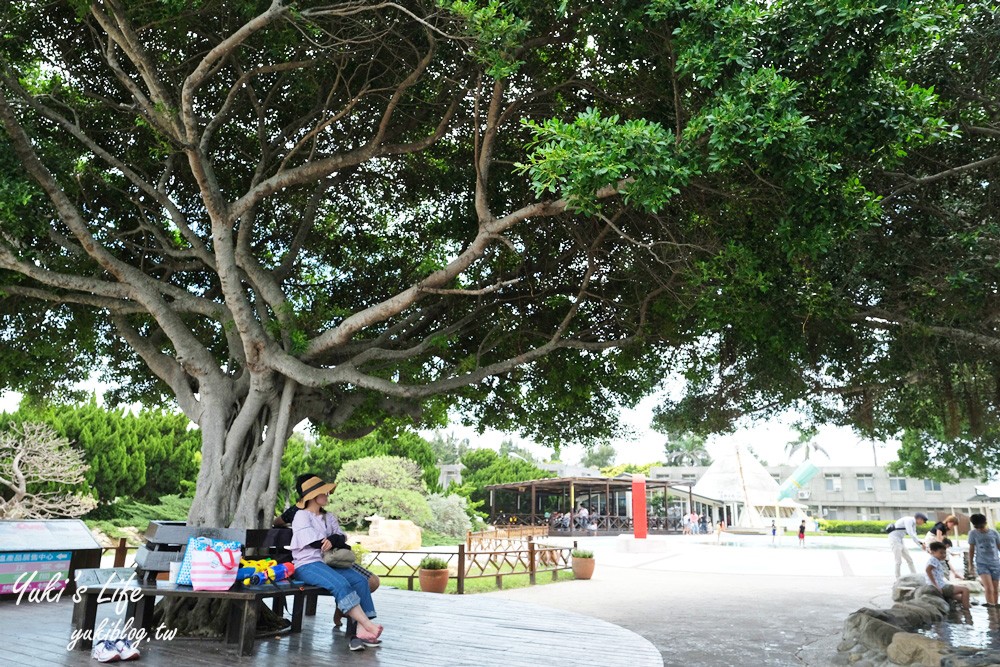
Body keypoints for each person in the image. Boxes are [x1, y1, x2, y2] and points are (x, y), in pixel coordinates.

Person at [291, 475, 383, 651]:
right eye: (323, 493)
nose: (327, 495)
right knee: (341, 584)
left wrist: (334, 539)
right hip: (307, 564)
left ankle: (360, 633)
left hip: (329, 562)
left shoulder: (328, 517)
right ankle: (367, 625)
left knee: (359, 581)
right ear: (312, 496)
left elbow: (341, 538)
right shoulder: (301, 516)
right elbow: (312, 541)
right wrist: (333, 540)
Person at [925, 540, 970, 611]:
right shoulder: (934, 560)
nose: (943, 555)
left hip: (941, 585)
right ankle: (967, 612)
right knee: (965, 590)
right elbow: (928, 570)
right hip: (941, 586)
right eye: (941, 553)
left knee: (962, 598)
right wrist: (935, 585)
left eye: (944, 553)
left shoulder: (935, 560)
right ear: (933, 552)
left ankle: (962, 609)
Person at [968, 513, 1000, 608]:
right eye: (976, 527)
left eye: (981, 526)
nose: (979, 529)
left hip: (995, 563)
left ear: (985, 523)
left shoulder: (994, 533)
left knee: (995, 589)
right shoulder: (973, 534)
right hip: (982, 564)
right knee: (989, 588)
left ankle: (995, 609)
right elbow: (971, 549)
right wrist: (971, 564)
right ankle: (991, 611)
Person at [887, 512, 929, 578]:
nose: (923, 524)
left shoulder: (913, 523)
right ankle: (898, 578)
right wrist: (921, 544)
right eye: (923, 522)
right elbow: (911, 533)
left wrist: (921, 545)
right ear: (919, 519)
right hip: (894, 540)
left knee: (909, 560)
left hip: (900, 540)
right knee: (898, 561)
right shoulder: (908, 520)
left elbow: (915, 535)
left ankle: (915, 576)